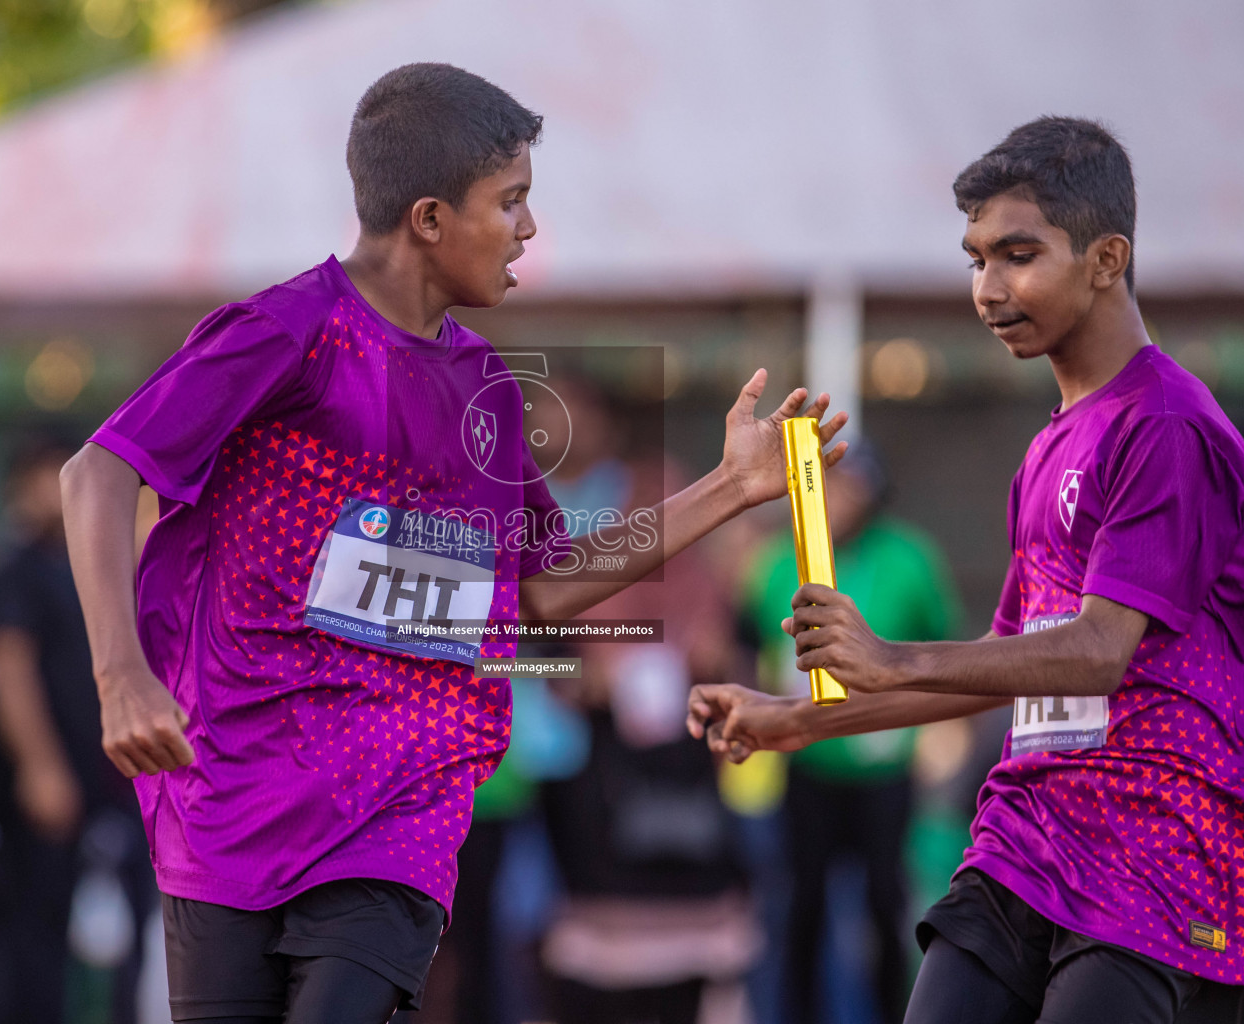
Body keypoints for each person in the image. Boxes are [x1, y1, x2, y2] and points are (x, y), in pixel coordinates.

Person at [59, 62, 845, 1024]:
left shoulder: (488, 389)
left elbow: (544, 587)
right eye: (510, 202)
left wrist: (729, 489)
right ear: (429, 219)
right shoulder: (285, 333)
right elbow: (95, 473)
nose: (529, 229)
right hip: (229, 796)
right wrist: (120, 675)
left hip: (402, 805)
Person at [689, 116, 1244, 1023]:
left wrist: (887, 658)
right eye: (975, 258)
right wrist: (795, 723)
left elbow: (1094, 654)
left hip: (1163, 847)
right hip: (1032, 834)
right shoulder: (1051, 444)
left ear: (1105, 258)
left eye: (1017, 254)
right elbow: (1006, 659)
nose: (987, 288)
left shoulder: (1166, 426)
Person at [742, 439, 961, 1024]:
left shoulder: (911, 559)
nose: (839, 499)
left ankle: (893, 1013)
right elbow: (747, 643)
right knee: (800, 908)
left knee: (884, 905)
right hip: (807, 763)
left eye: (851, 486)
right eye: (828, 486)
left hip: (885, 769)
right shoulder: (778, 561)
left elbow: (952, 648)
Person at [0, 437, 155, 1024]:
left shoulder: (106, 563)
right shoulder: (13, 566)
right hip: (49, 779)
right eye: (46, 477)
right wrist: (41, 766)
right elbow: (8, 669)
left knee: (124, 932)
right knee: (39, 930)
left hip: (118, 775)